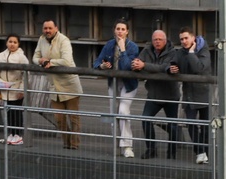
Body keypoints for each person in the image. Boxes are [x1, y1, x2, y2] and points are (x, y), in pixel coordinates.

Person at [33, 19, 83, 150]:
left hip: (69, 84)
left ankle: (74, 144)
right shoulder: (41, 39)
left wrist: (50, 62)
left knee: (74, 118)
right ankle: (66, 143)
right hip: (54, 86)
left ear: (56, 28)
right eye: (45, 28)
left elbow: (67, 61)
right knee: (59, 118)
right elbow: (34, 57)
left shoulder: (64, 40)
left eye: (50, 28)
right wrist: (40, 60)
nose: (47, 31)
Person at [94, 20, 140, 158]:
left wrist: (122, 49)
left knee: (123, 111)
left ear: (127, 32)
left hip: (129, 84)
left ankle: (127, 146)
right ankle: (117, 144)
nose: (120, 31)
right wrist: (102, 66)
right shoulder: (109, 45)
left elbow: (127, 66)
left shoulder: (133, 47)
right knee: (113, 113)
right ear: (114, 30)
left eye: (123, 29)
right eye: (118, 29)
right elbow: (96, 61)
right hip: (113, 83)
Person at [131, 29, 180, 160]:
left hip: (171, 95)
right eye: (155, 40)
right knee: (146, 119)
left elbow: (164, 68)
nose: (157, 42)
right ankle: (151, 149)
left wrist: (145, 66)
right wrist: (137, 65)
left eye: (160, 39)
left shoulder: (173, 53)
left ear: (165, 40)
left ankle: (172, 152)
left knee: (173, 125)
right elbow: (137, 65)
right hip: (153, 94)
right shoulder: (146, 51)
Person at [170, 27, 211, 165]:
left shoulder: (203, 50)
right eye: (181, 39)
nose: (183, 41)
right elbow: (173, 63)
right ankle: (200, 152)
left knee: (205, 126)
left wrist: (192, 52)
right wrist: (172, 69)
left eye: (186, 38)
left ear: (193, 38)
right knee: (191, 124)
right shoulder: (180, 52)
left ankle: (205, 152)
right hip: (189, 94)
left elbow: (199, 68)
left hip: (203, 92)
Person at [0, 33, 29, 145]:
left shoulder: (21, 57)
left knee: (16, 112)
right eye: (10, 41)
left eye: (15, 42)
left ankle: (18, 135)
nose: (12, 44)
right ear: (6, 43)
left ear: (18, 44)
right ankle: (10, 134)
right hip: (4, 89)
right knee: (7, 112)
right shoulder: (1, 56)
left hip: (16, 89)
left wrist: (22, 90)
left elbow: (26, 74)